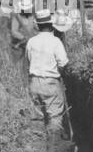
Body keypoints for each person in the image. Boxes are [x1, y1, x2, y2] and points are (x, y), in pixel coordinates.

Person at [25, 9, 69, 144]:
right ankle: (52, 151)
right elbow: (64, 63)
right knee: (55, 117)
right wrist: (60, 74)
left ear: (38, 25)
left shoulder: (31, 41)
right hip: (51, 83)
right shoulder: (56, 42)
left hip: (34, 83)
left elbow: (28, 60)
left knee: (37, 117)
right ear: (51, 25)